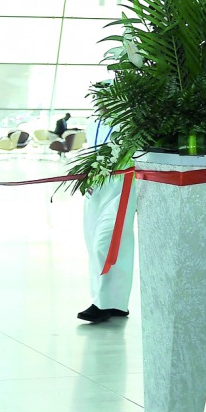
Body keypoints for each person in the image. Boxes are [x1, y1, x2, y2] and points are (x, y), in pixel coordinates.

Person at [80, 115, 134, 323]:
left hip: (123, 184)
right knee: (94, 242)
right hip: (97, 185)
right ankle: (115, 302)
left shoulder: (130, 123)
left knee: (107, 242)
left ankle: (103, 304)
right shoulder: (92, 123)